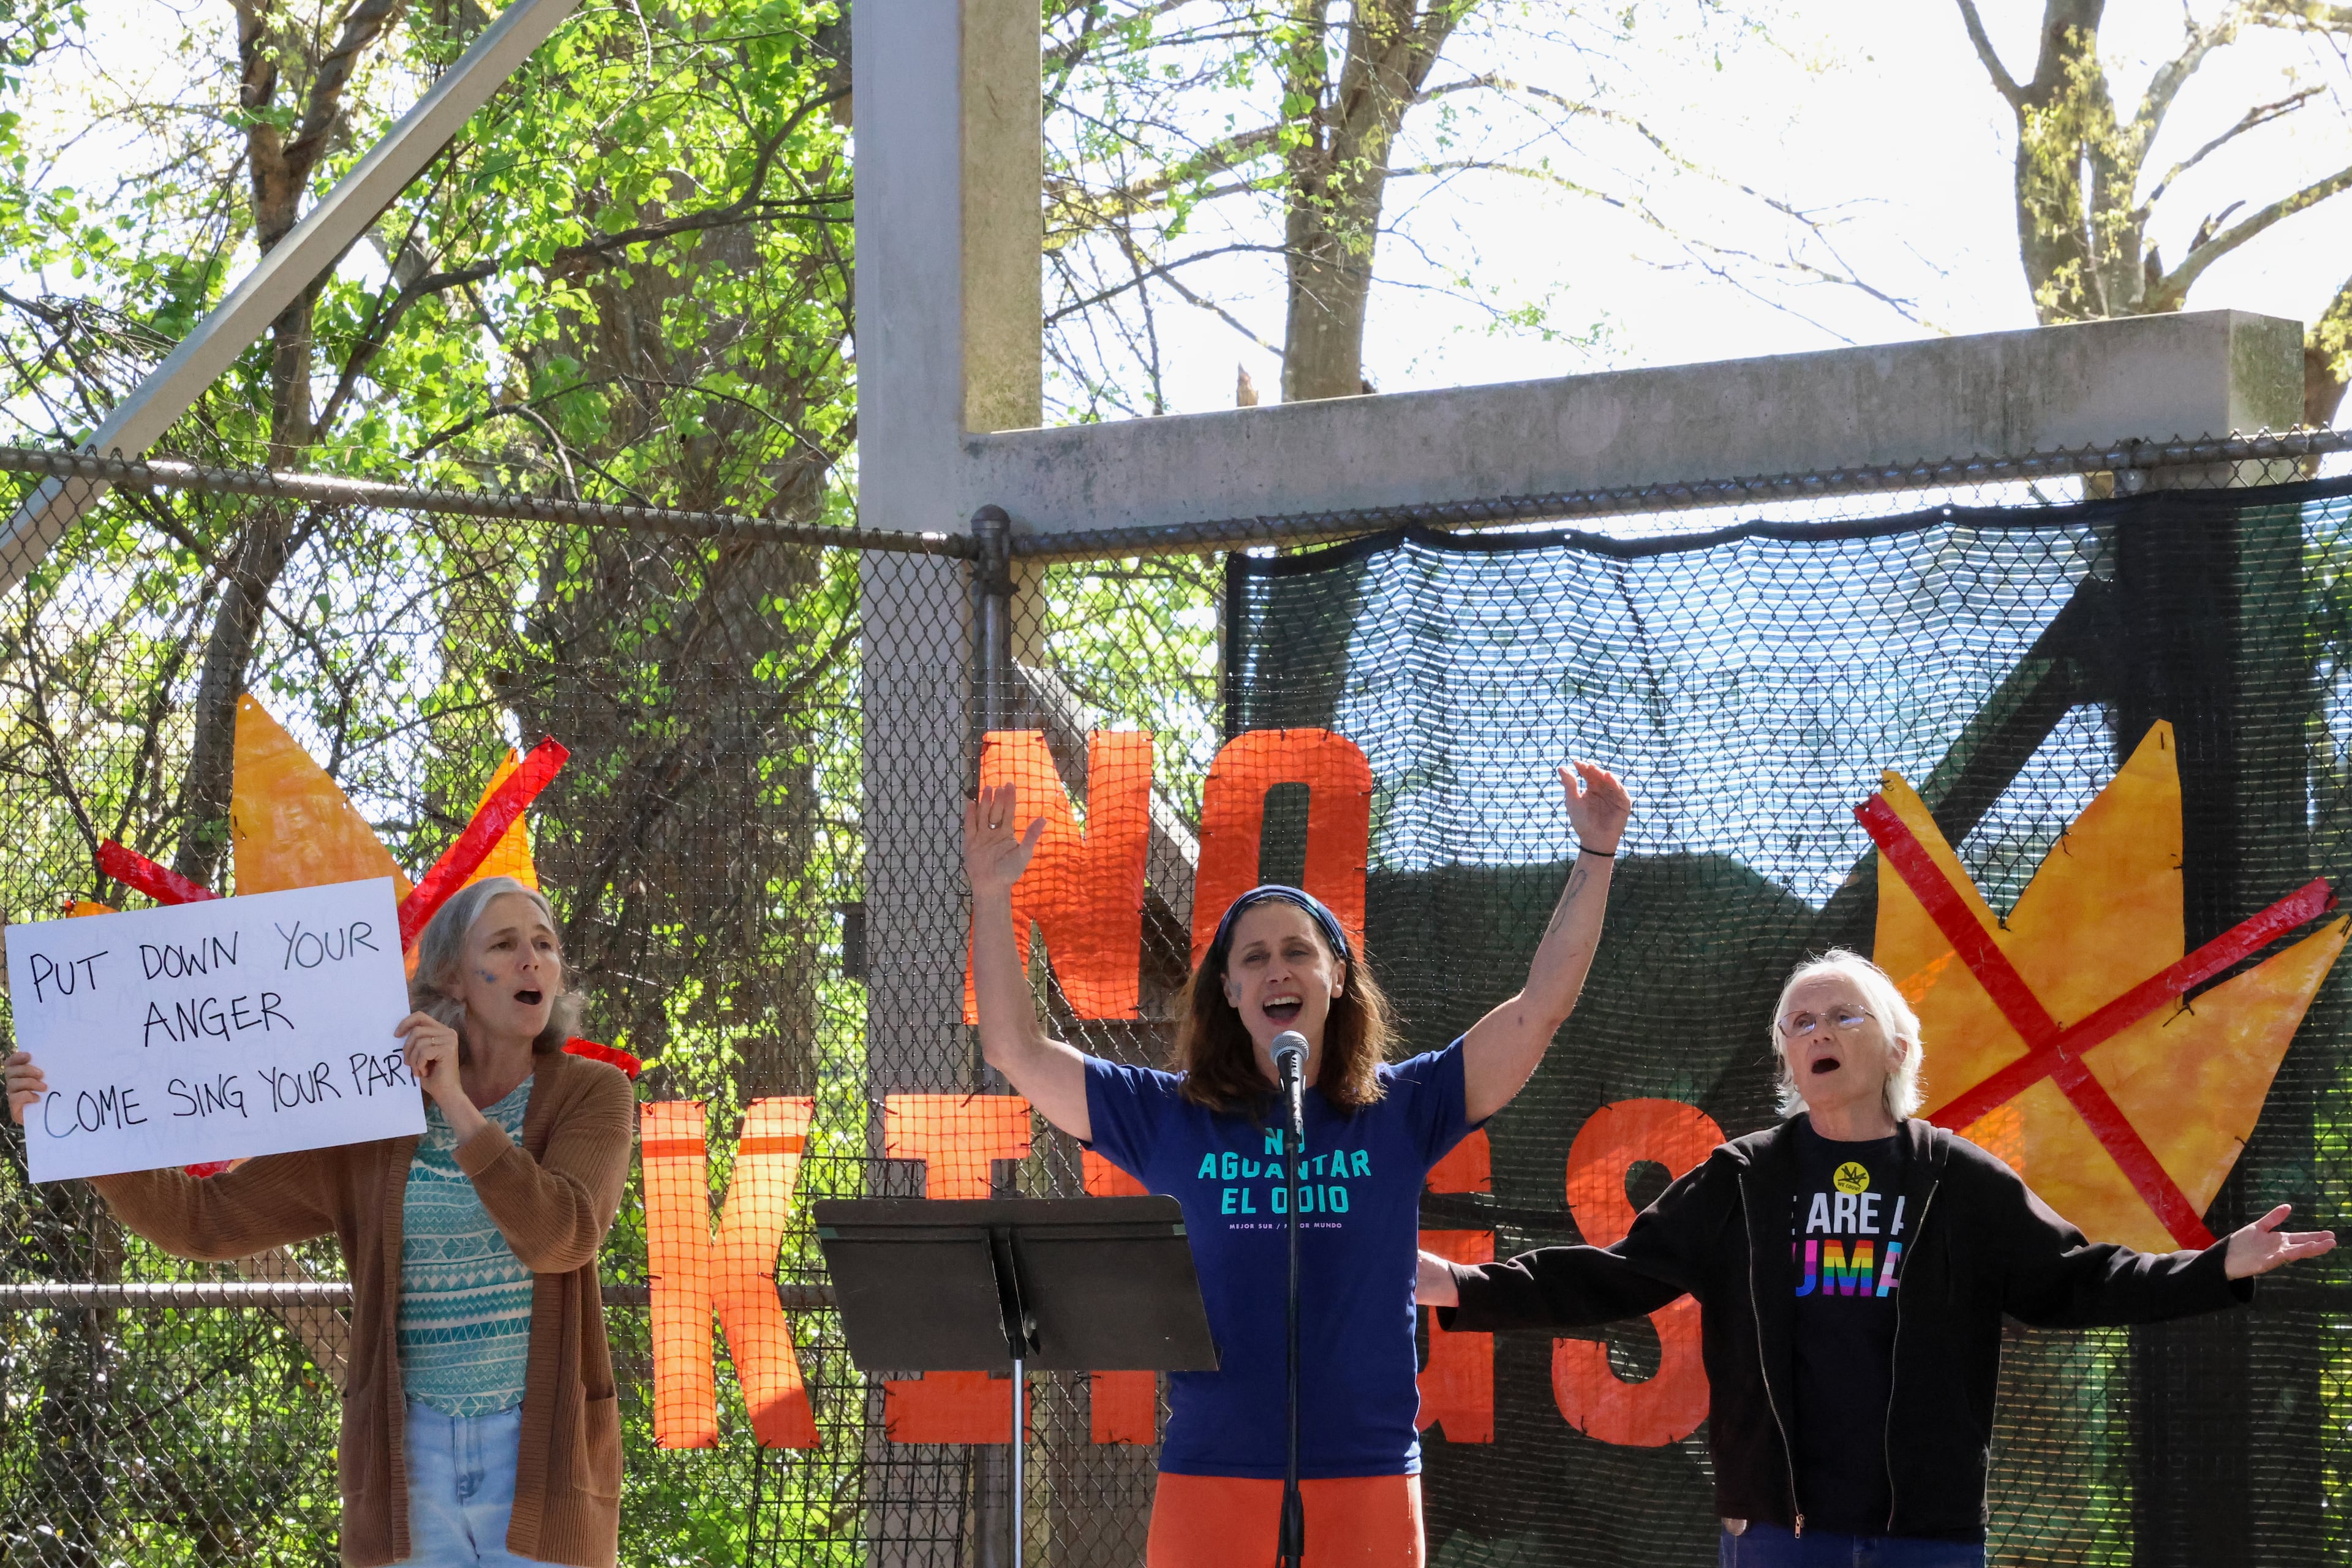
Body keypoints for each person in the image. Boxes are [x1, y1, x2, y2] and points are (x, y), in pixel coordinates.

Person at [1416, 948, 2337, 1568]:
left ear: (1895, 1041)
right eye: (1798, 1023)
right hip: (1781, 1529)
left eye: (1841, 1017)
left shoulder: (1956, 1180)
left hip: (1925, 1533)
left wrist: (2215, 1268)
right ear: (1786, 1057)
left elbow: (2075, 1281)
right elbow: (1615, 1275)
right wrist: (1460, 1285)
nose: (1817, 1032)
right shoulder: (1742, 1179)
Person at [965, 760, 1634, 1567]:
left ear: (1338, 976)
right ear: (1231, 993)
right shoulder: (1169, 1115)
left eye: (1296, 951)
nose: (1275, 969)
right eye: (1251, 959)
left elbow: (1538, 1012)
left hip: (1368, 1471)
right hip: (1212, 1472)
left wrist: (1595, 858)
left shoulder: (1401, 1107)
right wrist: (993, 896)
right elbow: (1014, 1048)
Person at [6, 876, 634, 1568]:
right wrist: (76, 1125)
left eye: (545, 945)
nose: (532, 961)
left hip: (542, 1459)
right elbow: (207, 1222)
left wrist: (457, 1105)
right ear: (453, 976)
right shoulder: (372, 1111)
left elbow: (562, 1237)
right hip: (407, 1461)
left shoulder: (594, 1093)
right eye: (507, 943)